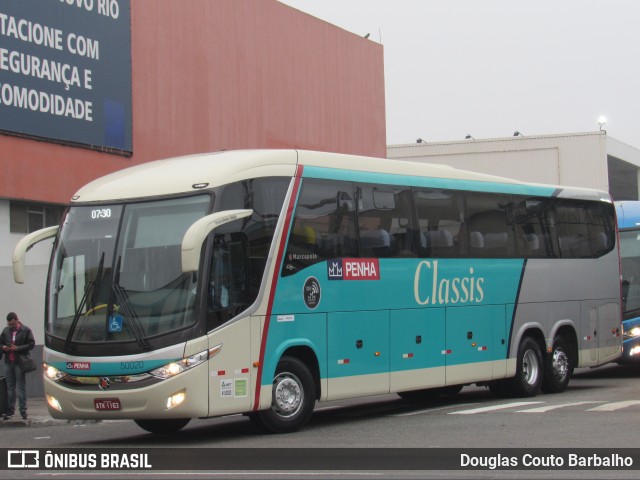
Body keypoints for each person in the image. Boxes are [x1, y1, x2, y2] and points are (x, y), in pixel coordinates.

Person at [1, 312, 35, 420]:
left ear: (17, 320)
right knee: (10, 387)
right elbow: (0, 343)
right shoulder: (6, 331)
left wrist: (18, 348)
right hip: (8, 361)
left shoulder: (26, 330)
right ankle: (10, 410)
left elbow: (31, 344)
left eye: (13, 324)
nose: (11, 326)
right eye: (9, 324)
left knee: (21, 387)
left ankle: (23, 411)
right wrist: (4, 347)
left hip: (19, 362)